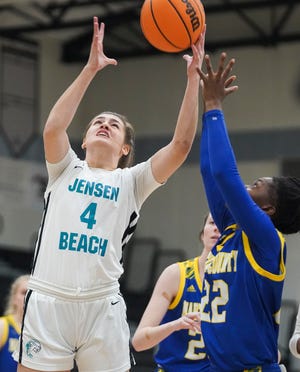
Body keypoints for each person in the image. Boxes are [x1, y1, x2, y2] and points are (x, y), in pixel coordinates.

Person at [14, 17, 206, 372]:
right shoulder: (64, 169)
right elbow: (54, 127)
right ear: (84, 139)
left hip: (101, 306)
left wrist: (193, 80)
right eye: (97, 122)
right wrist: (89, 70)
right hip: (49, 300)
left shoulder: (131, 182)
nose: (104, 124)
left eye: (114, 125)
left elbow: (180, 146)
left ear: (124, 149)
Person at [197, 53, 300, 371]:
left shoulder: (268, 240)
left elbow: (226, 177)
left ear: (268, 209)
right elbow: (209, 170)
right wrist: (206, 107)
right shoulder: (230, 226)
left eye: (256, 184)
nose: (246, 187)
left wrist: (215, 109)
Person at [132, 213, 220, 371]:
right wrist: (176, 325)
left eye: (224, 224)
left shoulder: (240, 283)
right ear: (202, 234)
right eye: (212, 222)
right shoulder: (176, 274)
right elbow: (139, 342)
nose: (217, 228)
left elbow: (268, 351)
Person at [0, 275, 29, 371]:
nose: (28, 297)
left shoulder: (43, 333)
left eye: (32, 293)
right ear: (14, 298)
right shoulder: (3, 325)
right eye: (24, 292)